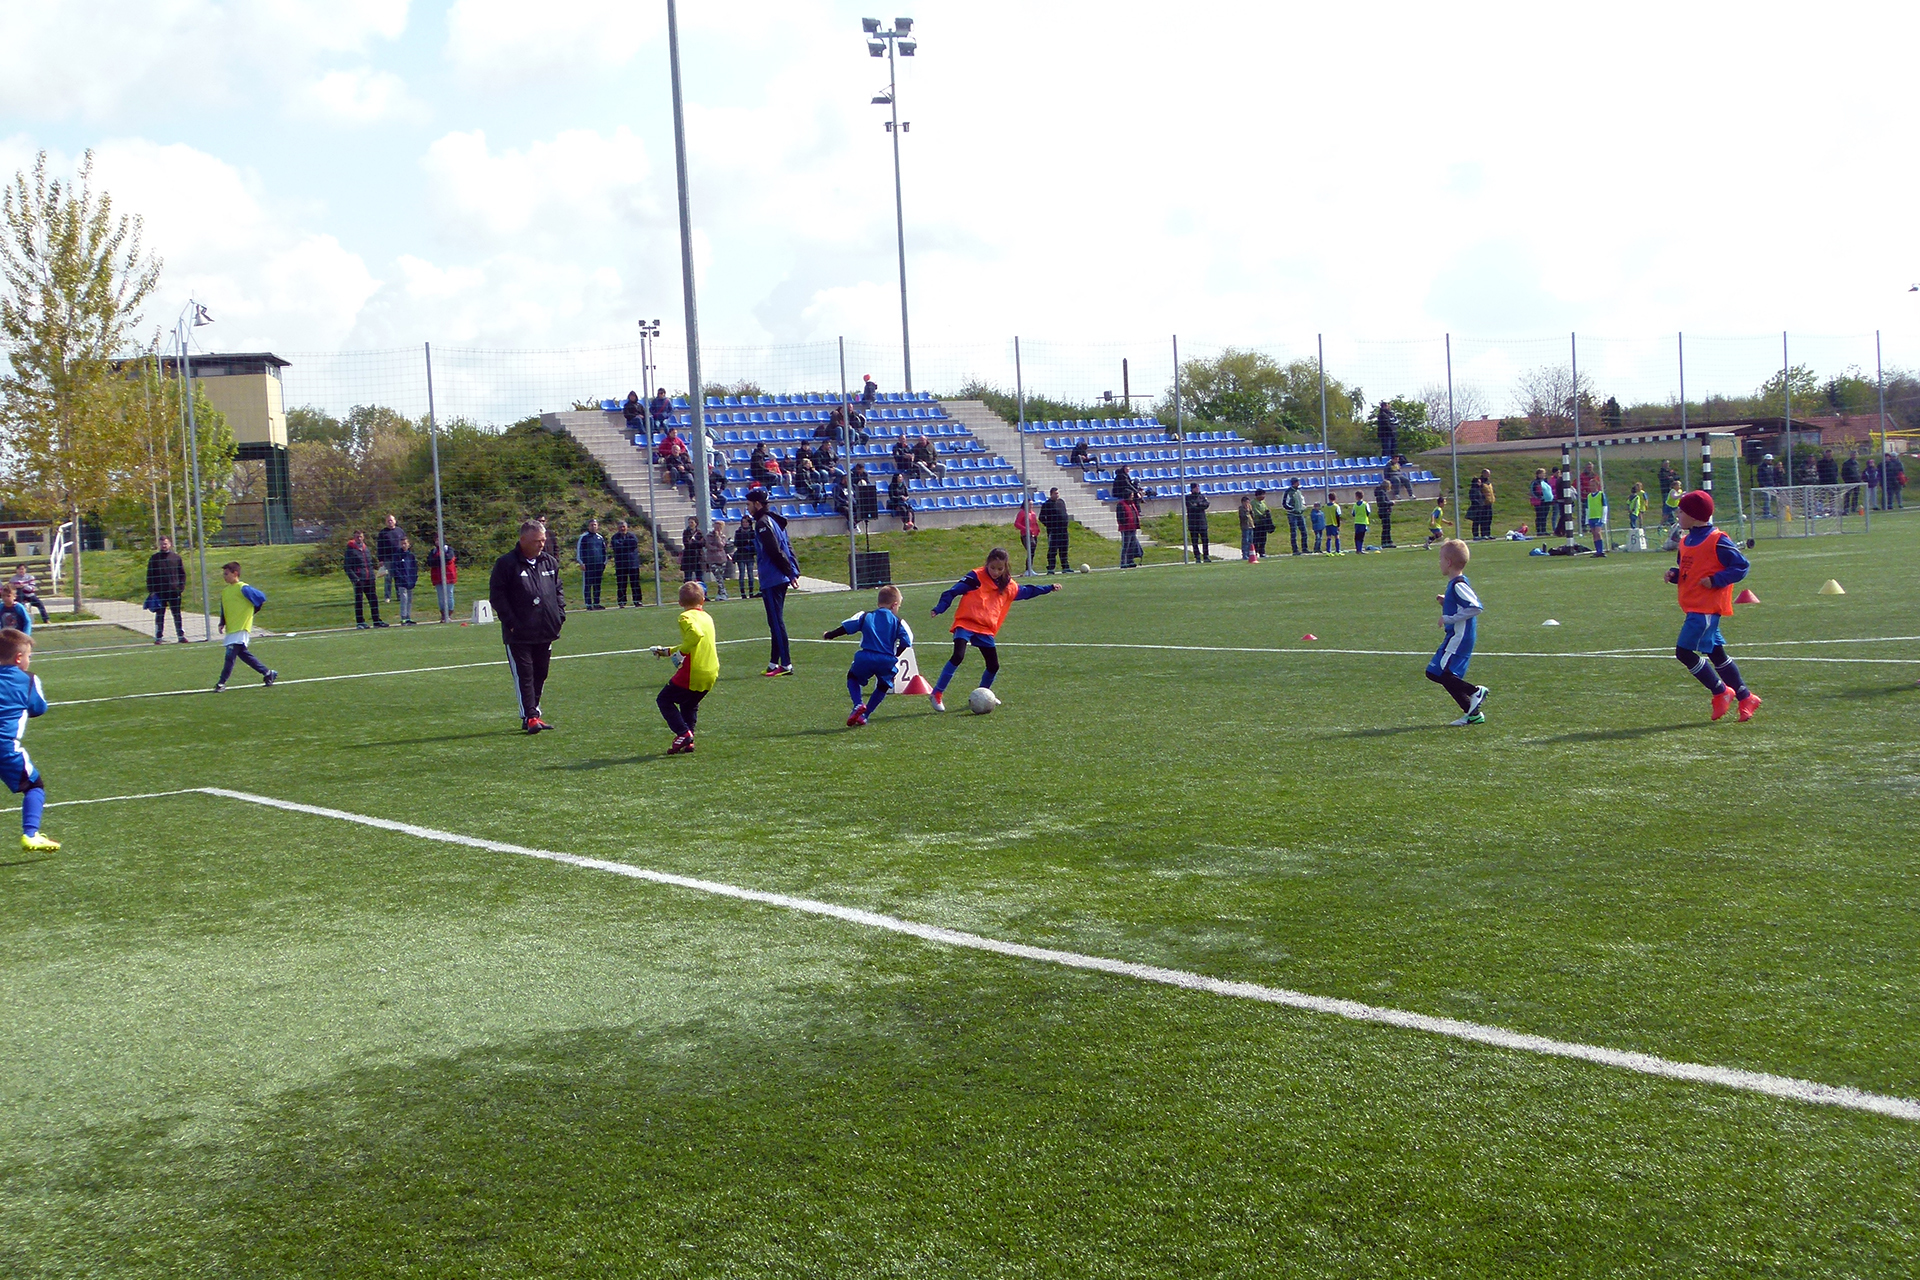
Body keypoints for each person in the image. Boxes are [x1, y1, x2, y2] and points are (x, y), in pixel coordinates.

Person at [1666, 489, 1760, 723]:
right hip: (1694, 606)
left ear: (1695, 515)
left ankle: (1721, 691)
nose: (1678, 514)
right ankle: (1746, 697)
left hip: (1706, 608)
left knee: (1684, 653)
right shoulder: (1685, 541)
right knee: (1716, 653)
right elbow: (1690, 571)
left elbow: (1741, 566)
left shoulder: (1717, 540)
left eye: (1682, 511)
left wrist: (1717, 580)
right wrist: (1675, 575)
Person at [926, 547, 1058, 712]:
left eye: (1000, 569)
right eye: (992, 568)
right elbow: (952, 592)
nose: (995, 572)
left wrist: (1048, 588)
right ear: (987, 564)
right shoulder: (975, 577)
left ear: (1005, 568)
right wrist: (939, 608)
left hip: (985, 628)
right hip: (966, 623)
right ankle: (937, 693)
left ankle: (984, 694)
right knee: (958, 656)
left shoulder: (1008, 585)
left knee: (993, 666)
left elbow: (1027, 591)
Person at [489, 518, 566, 734]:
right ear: (523, 540)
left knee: (541, 673)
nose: (541, 544)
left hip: (546, 629)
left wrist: (559, 615)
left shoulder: (549, 562)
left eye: (543, 540)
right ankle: (530, 716)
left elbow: (558, 590)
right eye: (536, 541)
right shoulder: (506, 564)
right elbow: (497, 596)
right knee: (525, 674)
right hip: (519, 633)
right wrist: (511, 623)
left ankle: (534, 713)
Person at [823, 583, 914, 726]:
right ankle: (865, 715)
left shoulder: (865, 616)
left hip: (865, 657)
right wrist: (896, 655)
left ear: (879, 602)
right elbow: (907, 641)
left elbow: (846, 627)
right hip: (886, 660)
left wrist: (829, 635)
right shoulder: (898, 622)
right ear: (894, 605)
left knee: (852, 677)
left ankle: (858, 704)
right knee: (883, 686)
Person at [1, 627, 58, 851]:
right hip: (5, 748)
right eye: (29, 657)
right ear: (18, 658)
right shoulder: (29, 679)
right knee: (34, 786)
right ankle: (31, 834)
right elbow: (38, 708)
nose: (29, 661)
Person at [1425, 539, 1489, 727]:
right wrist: (1447, 602)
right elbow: (1462, 605)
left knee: (1442, 674)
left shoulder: (1458, 584)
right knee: (1436, 673)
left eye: (1440, 559)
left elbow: (1476, 607)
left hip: (1459, 637)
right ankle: (1473, 714)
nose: (1439, 563)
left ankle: (1475, 692)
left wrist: (1449, 618)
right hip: (1454, 637)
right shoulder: (1454, 584)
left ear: (1448, 562)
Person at [650, 580, 717, 755]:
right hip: (711, 671)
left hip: (693, 671)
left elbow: (695, 635)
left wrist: (681, 653)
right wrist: (668, 651)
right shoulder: (707, 617)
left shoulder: (685, 617)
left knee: (664, 699)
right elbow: (695, 642)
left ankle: (683, 733)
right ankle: (689, 740)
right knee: (689, 703)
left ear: (680, 603)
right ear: (703, 600)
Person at [745, 487, 801, 676]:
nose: (747, 508)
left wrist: (790, 572)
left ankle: (786, 664)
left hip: (772, 578)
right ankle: (773, 663)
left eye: (749, 504)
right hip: (779, 577)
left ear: (757, 504)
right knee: (774, 621)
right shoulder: (774, 520)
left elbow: (775, 550)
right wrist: (792, 572)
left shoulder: (762, 523)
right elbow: (788, 547)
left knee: (776, 622)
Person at [213, 561, 278, 692]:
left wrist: (252, 611)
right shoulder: (225, 592)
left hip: (241, 627)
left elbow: (261, 598)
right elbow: (224, 608)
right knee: (243, 654)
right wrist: (222, 622)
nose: (224, 576)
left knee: (230, 656)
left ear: (235, 573)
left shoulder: (244, 588)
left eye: (226, 574)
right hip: (232, 628)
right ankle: (268, 673)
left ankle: (221, 682)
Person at [146, 535, 187, 644]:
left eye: (165, 543)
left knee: (177, 614)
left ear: (170, 544)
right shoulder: (154, 558)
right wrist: (151, 591)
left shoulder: (176, 558)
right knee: (160, 615)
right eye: (161, 544)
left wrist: (180, 588)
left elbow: (182, 574)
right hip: (159, 592)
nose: (163, 546)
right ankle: (158, 637)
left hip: (174, 592)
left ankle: (181, 636)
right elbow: (150, 575)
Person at [344, 532, 384, 629]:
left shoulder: (366, 548)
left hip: (369, 578)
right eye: (357, 537)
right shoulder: (350, 550)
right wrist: (355, 579)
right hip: (359, 579)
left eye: (361, 536)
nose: (359, 538)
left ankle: (376, 620)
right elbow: (347, 567)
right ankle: (360, 622)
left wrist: (373, 574)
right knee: (359, 601)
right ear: (354, 538)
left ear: (363, 537)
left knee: (373, 600)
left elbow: (369, 563)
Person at [609, 520, 643, 608]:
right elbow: (616, 546)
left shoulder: (632, 536)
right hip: (620, 565)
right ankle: (622, 602)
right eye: (620, 527)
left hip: (633, 564)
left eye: (623, 527)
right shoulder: (615, 537)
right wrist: (626, 545)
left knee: (635, 583)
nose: (622, 528)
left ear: (627, 527)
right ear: (618, 528)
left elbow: (633, 544)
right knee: (621, 584)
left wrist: (622, 544)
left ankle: (637, 601)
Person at [1040, 487, 1071, 573]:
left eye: (1058, 493)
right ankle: (1051, 568)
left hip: (1063, 530)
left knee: (1064, 549)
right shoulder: (1047, 504)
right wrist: (1050, 525)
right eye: (1055, 493)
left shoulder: (1061, 502)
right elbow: (1041, 517)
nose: (1057, 495)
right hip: (1054, 531)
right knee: (1053, 550)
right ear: (1051, 494)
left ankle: (1065, 567)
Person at [427, 538, 458, 623]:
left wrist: (437, 560)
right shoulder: (433, 551)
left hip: (449, 576)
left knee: (449, 595)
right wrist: (440, 560)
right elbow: (430, 562)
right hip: (437, 577)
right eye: (436, 540)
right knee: (441, 597)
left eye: (439, 540)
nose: (438, 542)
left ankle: (449, 614)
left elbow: (448, 558)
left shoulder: (449, 550)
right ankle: (443, 615)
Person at [391, 537, 420, 624]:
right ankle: (403, 617)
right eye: (402, 544)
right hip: (401, 581)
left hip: (410, 580)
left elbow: (414, 568)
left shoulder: (411, 556)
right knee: (404, 599)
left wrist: (414, 578)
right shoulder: (397, 556)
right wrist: (400, 578)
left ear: (408, 544)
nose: (404, 545)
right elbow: (395, 569)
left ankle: (408, 617)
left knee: (409, 599)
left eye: (405, 543)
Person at [376, 514, 403, 602]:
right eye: (388, 521)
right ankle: (387, 597)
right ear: (386, 522)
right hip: (388, 558)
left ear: (395, 521)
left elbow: (405, 543)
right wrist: (380, 559)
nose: (390, 522)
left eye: (391, 520)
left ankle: (399, 596)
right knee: (388, 578)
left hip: (399, 558)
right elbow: (379, 547)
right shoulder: (383, 533)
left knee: (398, 577)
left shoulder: (400, 531)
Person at [703, 521, 732, 601]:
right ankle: (723, 592)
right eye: (716, 526)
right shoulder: (709, 535)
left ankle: (721, 594)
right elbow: (708, 545)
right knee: (718, 577)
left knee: (721, 577)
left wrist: (717, 537)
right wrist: (717, 548)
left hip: (721, 559)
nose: (717, 528)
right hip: (712, 559)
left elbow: (721, 545)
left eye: (719, 527)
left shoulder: (723, 536)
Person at [1183, 483, 1211, 562]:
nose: (1198, 489)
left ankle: (1206, 556)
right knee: (1195, 541)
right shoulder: (1188, 498)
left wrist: (1198, 504)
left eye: (1198, 487)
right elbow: (1191, 507)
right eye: (1196, 487)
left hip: (1202, 522)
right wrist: (1200, 506)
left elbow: (1206, 504)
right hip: (1193, 523)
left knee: (1205, 540)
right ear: (1192, 489)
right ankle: (1197, 556)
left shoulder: (1202, 496)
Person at [731, 518, 758, 598]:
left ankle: (751, 592)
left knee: (750, 574)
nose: (745, 524)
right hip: (741, 555)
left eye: (746, 522)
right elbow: (736, 543)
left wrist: (748, 543)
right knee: (742, 574)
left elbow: (754, 543)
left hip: (749, 555)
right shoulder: (738, 532)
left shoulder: (752, 532)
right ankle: (742, 593)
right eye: (743, 522)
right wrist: (745, 541)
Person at [1014, 497, 1041, 572]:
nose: (1031, 506)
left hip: (1033, 535)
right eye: (1029, 504)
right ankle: (1028, 569)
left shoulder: (1033, 513)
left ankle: (1030, 568)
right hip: (1026, 535)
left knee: (1032, 552)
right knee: (1030, 550)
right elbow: (1017, 523)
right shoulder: (1022, 513)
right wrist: (1026, 528)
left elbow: (1034, 523)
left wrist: (1037, 529)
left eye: (1032, 504)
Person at [1282, 480, 1308, 555]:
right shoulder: (1288, 492)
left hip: (1300, 514)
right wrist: (1293, 509)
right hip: (1292, 515)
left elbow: (1302, 501)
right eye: (1297, 482)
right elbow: (1285, 503)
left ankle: (1304, 548)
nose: (1299, 484)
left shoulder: (1299, 491)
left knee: (1304, 532)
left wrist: (1303, 507)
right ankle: (1295, 549)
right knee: (1294, 532)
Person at [1117, 492, 1143, 568]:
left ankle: (1130, 561)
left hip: (1133, 527)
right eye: (1131, 495)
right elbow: (1120, 517)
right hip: (1126, 528)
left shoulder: (1132, 504)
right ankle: (1123, 562)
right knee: (1126, 546)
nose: (1132, 497)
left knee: (1132, 545)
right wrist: (1124, 523)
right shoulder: (1121, 504)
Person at [678, 516, 704, 585]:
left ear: (696, 523)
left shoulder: (699, 532)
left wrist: (694, 542)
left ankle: (701, 590)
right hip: (688, 557)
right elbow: (686, 544)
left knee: (699, 577)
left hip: (698, 557)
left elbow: (702, 544)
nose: (690, 524)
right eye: (689, 522)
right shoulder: (686, 532)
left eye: (692, 522)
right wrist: (696, 543)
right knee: (688, 577)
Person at [1585, 484, 1607, 556]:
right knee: (1594, 534)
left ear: (1597, 486)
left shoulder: (1601, 494)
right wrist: (1587, 519)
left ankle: (1601, 550)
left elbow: (1604, 506)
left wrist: (1603, 518)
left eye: (1593, 485)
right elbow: (1587, 508)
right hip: (1591, 517)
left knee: (1598, 532)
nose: (1591, 487)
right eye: (1591, 486)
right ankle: (1597, 551)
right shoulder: (1589, 496)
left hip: (1598, 517)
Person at [1373, 479, 1395, 549]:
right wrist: (1391, 503)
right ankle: (1385, 542)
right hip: (1384, 511)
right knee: (1386, 527)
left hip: (1384, 511)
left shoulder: (1381, 492)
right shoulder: (1381, 492)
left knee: (1387, 527)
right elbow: (1382, 503)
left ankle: (1388, 541)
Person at [1530, 468, 1551, 536]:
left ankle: (1544, 530)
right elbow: (1532, 491)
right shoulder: (1535, 482)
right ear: (1538, 474)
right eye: (1542, 473)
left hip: (1546, 501)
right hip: (1539, 502)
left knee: (1544, 516)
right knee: (1539, 516)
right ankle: (1539, 531)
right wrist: (1539, 497)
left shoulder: (1545, 482)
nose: (1544, 475)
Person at [1236, 494, 1254, 561]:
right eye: (1246, 502)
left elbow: (1253, 516)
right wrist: (1246, 510)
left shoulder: (1250, 509)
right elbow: (1243, 517)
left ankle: (1250, 553)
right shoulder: (1241, 509)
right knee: (1245, 540)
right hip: (1245, 526)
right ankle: (1245, 554)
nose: (1247, 504)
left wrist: (1251, 511)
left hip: (1251, 525)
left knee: (1250, 540)